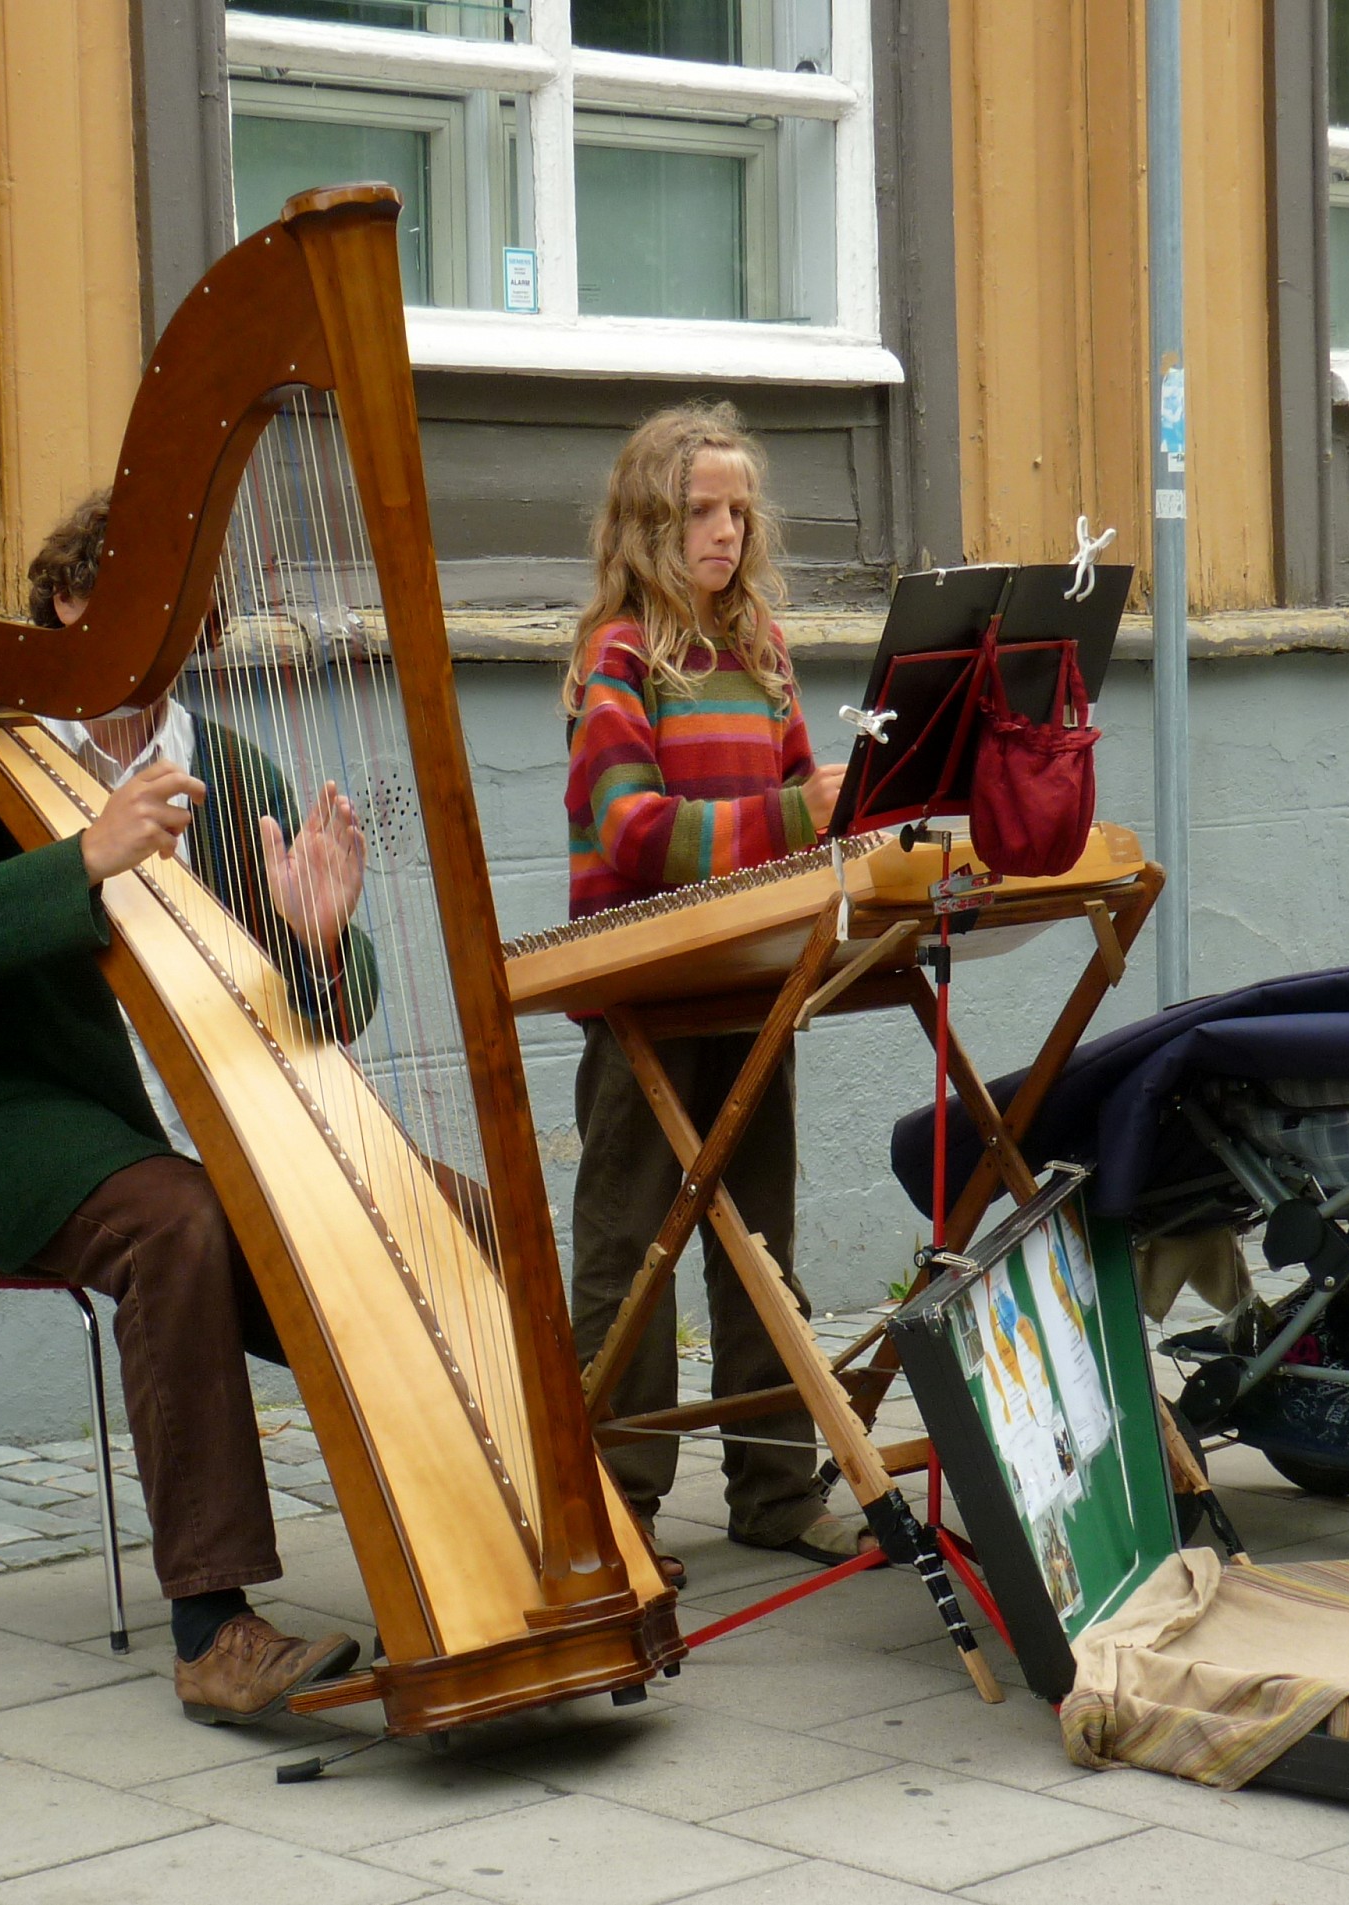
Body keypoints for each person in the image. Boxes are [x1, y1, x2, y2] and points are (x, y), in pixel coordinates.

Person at [0, 491, 374, 1724]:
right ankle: (213, 1628)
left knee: (442, 1218)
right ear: (64, 604)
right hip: (6, 1119)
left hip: (209, 1128)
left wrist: (318, 943)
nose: (154, 640)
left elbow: (340, 1008)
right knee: (177, 1222)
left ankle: (521, 1542)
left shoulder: (223, 764)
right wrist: (82, 860)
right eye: (128, 607)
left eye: (178, 615)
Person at [562, 403, 862, 1587]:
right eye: (699, 511)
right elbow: (634, 832)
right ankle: (617, 1512)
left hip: (748, 989)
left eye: (738, 509)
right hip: (642, 997)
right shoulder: (618, 657)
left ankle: (775, 1493)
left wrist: (848, 813)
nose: (725, 532)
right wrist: (796, 814)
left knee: (759, 1244)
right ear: (649, 522)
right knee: (628, 1250)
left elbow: (801, 817)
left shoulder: (765, 653)